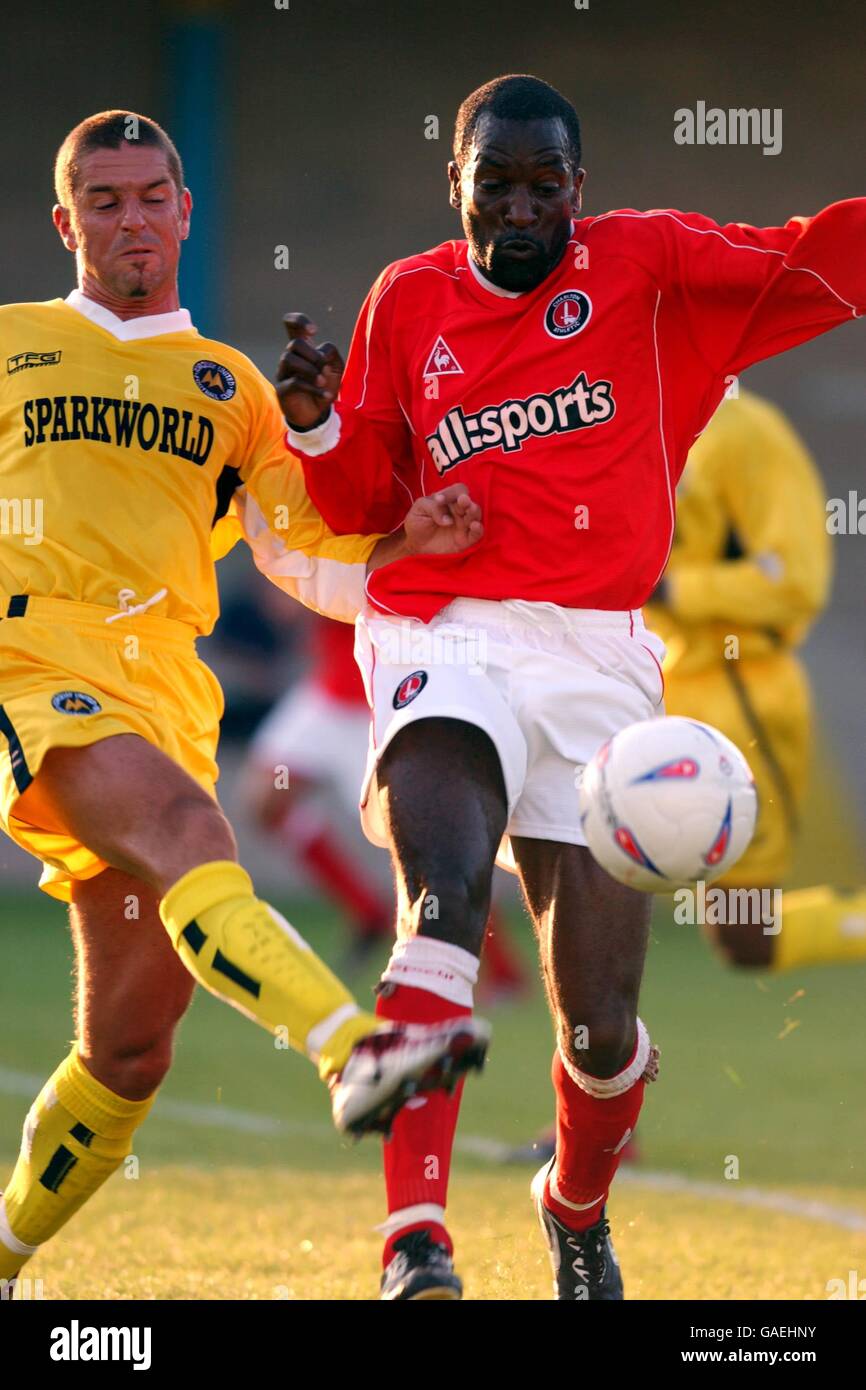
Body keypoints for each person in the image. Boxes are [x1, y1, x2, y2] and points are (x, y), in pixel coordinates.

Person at [276, 73, 866, 1301]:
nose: (521, 208)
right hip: (448, 629)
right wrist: (323, 429)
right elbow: (364, 502)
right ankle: (414, 1245)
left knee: (596, 1032)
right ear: (458, 184)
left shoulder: (647, 268)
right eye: (496, 183)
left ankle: (574, 1208)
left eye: (545, 184)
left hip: (601, 659)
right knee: (439, 891)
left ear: (578, 189)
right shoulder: (407, 298)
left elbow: (813, 260)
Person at [0, 110, 491, 1299]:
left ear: (184, 208)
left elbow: (305, 558)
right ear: (66, 223)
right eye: (102, 200)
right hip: (32, 665)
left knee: (126, 1050)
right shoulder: (10, 346)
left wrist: (399, 541)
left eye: (151, 195)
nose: (130, 219)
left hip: (166, 691)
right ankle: (354, 1051)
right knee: (194, 834)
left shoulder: (229, 388)